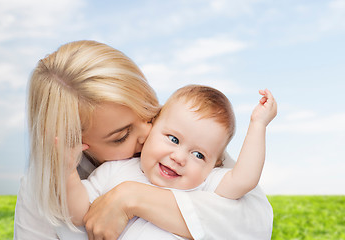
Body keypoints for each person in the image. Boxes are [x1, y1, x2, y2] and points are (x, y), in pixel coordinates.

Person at [14, 40, 273, 240]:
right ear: (75, 143)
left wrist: (131, 198)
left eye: (150, 112)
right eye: (122, 136)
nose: (148, 134)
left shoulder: (186, 140)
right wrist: (67, 172)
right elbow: (78, 213)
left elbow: (254, 221)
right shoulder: (48, 183)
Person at [65, 85, 277, 239]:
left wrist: (258, 125)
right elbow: (79, 214)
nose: (179, 158)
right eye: (173, 139)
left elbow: (245, 179)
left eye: (199, 155)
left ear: (216, 164)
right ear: (152, 125)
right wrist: (67, 171)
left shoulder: (206, 184)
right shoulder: (114, 170)